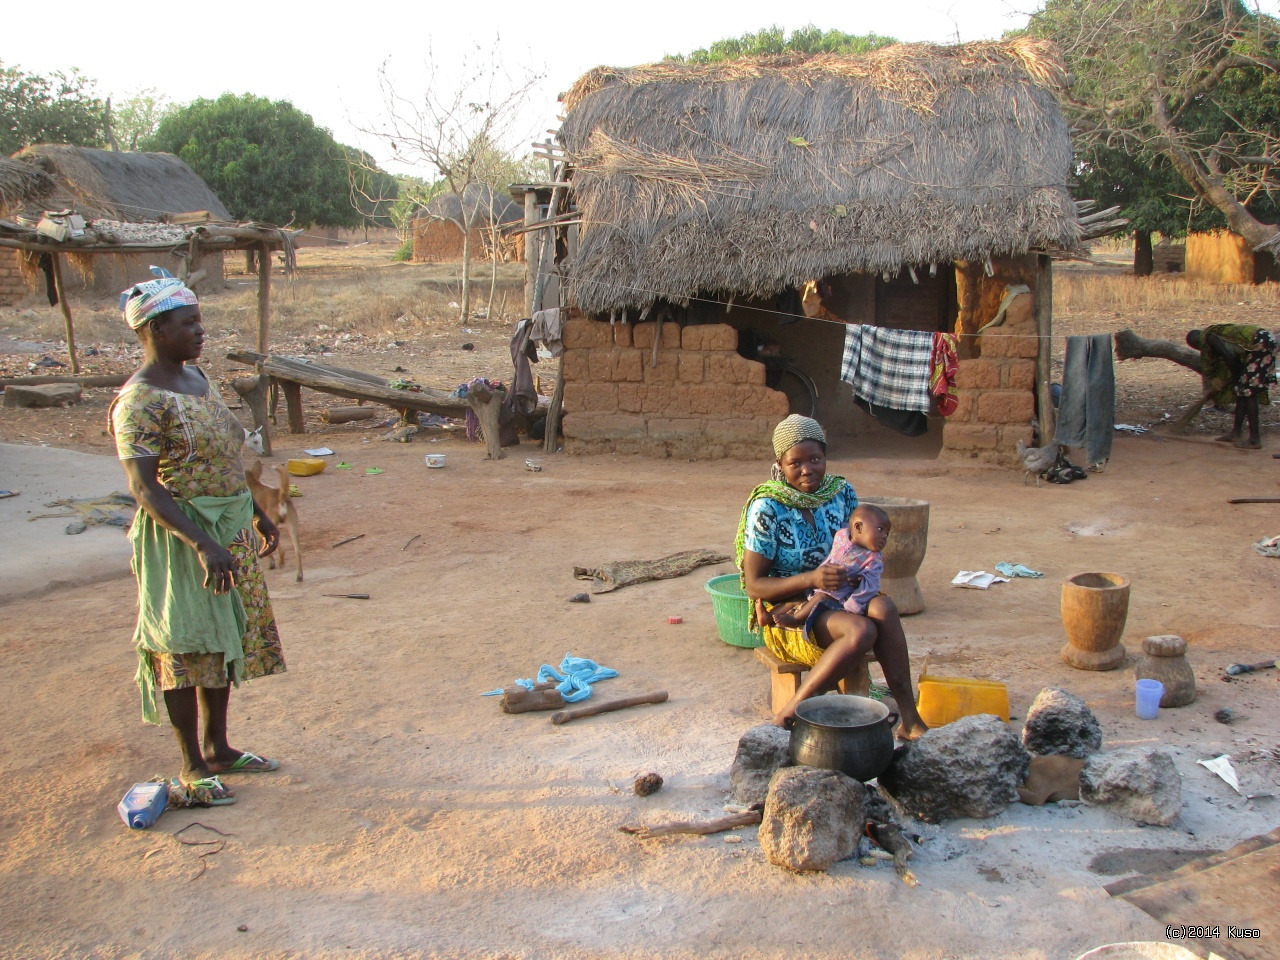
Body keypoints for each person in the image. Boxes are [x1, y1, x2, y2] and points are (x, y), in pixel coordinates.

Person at [109, 268, 286, 805]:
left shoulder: (196, 382)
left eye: (199, 321)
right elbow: (144, 488)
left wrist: (256, 511)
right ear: (156, 330)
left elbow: (223, 461)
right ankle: (190, 763)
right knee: (184, 647)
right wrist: (201, 543)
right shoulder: (140, 401)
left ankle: (220, 748)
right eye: (189, 323)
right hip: (181, 538)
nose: (200, 331)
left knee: (222, 641)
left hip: (226, 529)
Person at [735, 414, 929, 736]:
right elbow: (755, 584)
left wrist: (858, 578)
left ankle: (910, 719)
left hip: (844, 595)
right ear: (779, 465)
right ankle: (791, 713)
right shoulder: (768, 507)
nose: (807, 469)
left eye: (815, 459)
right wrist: (812, 579)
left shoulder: (841, 494)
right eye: (794, 463)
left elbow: (862, 546)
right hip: (790, 612)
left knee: (883, 608)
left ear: (825, 456)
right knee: (860, 631)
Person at [772, 503, 889, 627]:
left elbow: (870, 587)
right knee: (795, 600)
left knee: (821, 597)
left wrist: (852, 606)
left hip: (839, 596)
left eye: (887, 534)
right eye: (880, 530)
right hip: (818, 585)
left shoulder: (873, 559)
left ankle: (796, 619)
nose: (884, 537)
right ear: (858, 527)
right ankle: (767, 617)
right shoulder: (843, 534)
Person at [1187, 325, 1278, 449]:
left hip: (1259, 343)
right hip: (1262, 341)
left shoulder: (1211, 337)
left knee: (1249, 392)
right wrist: (1237, 378)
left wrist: (1236, 375)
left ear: (1198, 341)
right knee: (1242, 390)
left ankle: (1254, 440)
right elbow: (1234, 356)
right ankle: (1235, 433)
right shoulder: (1217, 333)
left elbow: (1228, 357)